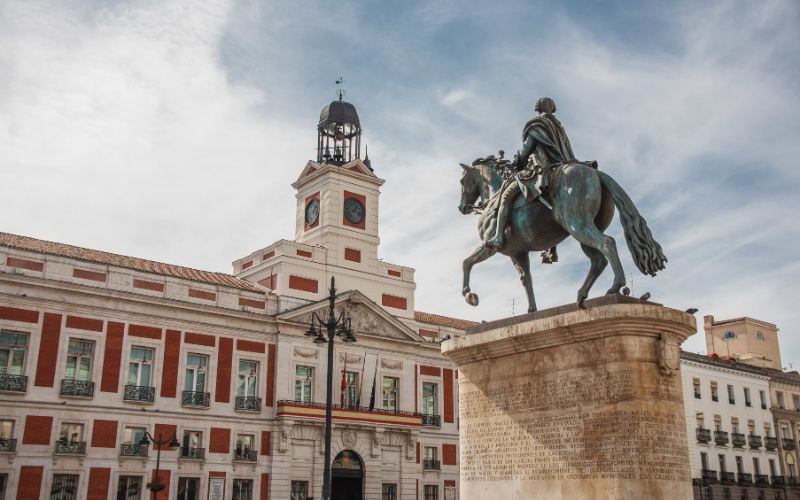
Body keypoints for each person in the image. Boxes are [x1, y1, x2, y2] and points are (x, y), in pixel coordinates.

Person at [485, 97, 576, 263]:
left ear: (537, 108)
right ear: (552, 108)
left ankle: (497, 236)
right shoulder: (558, 126)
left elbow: (527, 148)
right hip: (563, 164)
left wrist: (517, 162)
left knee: (505, 197)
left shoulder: (537, 124)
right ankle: (551, 248)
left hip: (542, 167)